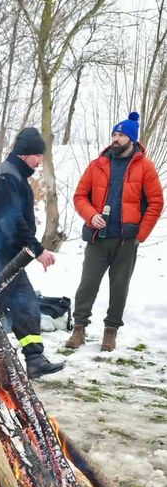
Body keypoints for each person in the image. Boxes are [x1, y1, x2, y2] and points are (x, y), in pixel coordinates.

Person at [66, 111, 164, 352]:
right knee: (87, 285)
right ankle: (79, 328)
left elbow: (156, 203)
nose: (115, 139)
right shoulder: (97, 165)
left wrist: (140, 235)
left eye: (120, 135)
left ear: (131, 139)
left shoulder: (145, 167)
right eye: (114, 134)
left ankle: (111, 332)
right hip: (98, 238)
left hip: (125, 241)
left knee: (119, 288)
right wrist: (91, 215)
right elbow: (79, 196)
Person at [0, 126, 63, 379]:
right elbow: (12, 222)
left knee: (21, 305)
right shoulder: (7, 177)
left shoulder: (14, 175)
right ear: (24, 153)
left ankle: (34, 358)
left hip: (9, 256)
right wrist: (37, 250)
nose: (40, 161)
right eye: (37, 155)